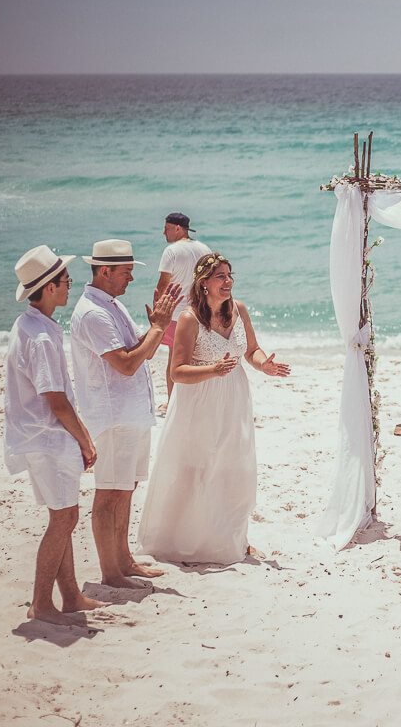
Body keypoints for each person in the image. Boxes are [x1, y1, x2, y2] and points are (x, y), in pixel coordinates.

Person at [137, 253, 290, 564]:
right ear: (203, 283)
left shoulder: (239, 309)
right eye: (221, 276)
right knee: (197, 467)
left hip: (235, 398)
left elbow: (251, 350)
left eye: (230, 275)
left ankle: (234, 538)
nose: (228, 281)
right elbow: (177, 371)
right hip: (199, 401)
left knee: (234, 466)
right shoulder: (189, 319)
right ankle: (188, 539)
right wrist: (213, 370)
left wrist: (264, 365)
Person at [70, 239, 182, 588]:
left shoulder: (111, 305)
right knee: (109, 494)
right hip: (113, 417)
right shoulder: (93, 312)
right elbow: (127, 364)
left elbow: (141, 352)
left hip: (130, 414)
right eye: (126, 272)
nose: (131, 279)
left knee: (126, 488)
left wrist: (158, 327)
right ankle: (111, 573)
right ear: (105, 271)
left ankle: (124, 560)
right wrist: (159, 328)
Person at [4, 246, 107, 623]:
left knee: (62, 516)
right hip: (46, 438)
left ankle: (71, 596)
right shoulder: (42, 337)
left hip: (36, 437)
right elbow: (57, 400)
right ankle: (42, 603)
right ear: (49, 288)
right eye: (66, 281)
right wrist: (85, 440)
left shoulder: (28, 325)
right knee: (64, 519)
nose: (69, 286)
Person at [155, 212, 211, 409]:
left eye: (166, 228)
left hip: (176, 313)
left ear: (177, 229)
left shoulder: (171, 251)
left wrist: (158, 309)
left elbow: (163, 284)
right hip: (199, 313)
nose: (164, 233)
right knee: (196, 359)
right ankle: (197, 402)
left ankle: (172, 404)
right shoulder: (204, 248)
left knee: (174, 360)